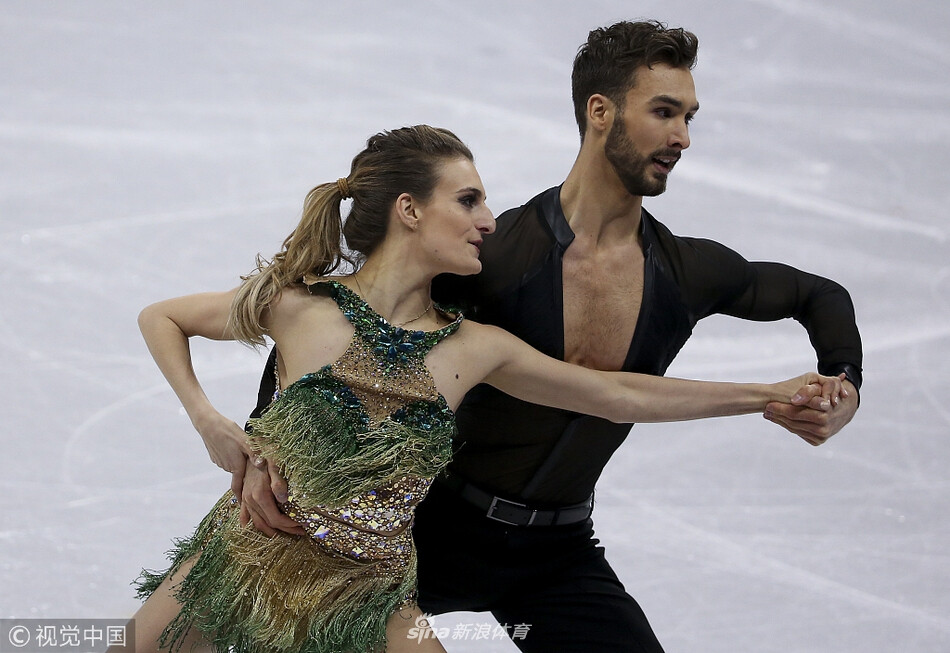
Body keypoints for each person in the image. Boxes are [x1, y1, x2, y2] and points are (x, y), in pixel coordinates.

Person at [237, 21, 864, 653]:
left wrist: (845, 384)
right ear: (600, 112)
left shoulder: (686, 273)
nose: (682, 137)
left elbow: (820, 296)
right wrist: (266, 444)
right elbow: (346, 324)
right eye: (664, 112)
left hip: (556, 556)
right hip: (424, 537)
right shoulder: (498, 258)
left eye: (688, 117)